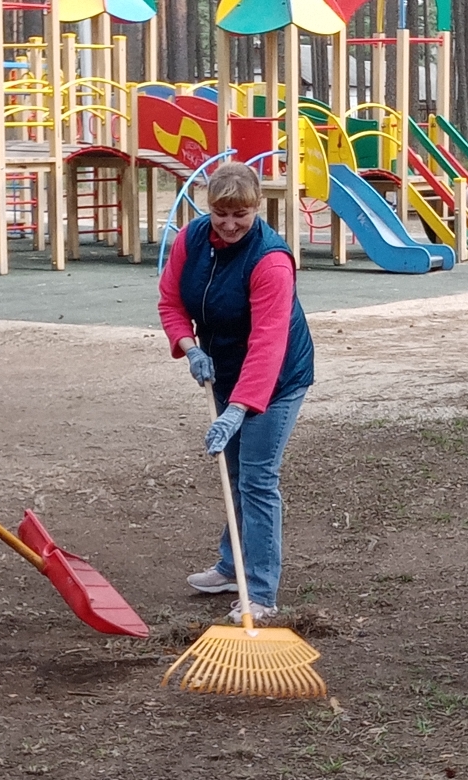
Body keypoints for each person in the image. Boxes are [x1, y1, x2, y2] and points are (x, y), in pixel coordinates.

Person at [158, 162, 314, 626]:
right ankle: (231, 568)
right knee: (233, 472)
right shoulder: (192, 239)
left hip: (279, 376)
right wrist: (189, 348)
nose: (228, 224)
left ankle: (260, 592)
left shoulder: (271, 260)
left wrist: (240, 409)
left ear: (257, 207)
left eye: (239, 214)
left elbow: (268, 344)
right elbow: (170, 300)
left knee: (257, 478)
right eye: (220, 213)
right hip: (222, 368)